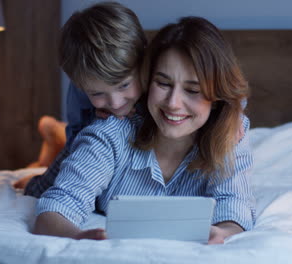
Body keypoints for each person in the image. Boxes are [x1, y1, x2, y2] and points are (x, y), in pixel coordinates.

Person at [33, 16, 256, 245]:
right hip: (84, 133)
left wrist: (224, 232)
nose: (173, 103)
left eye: (192, 90)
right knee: (39, 184)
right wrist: (77, 237)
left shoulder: (230, 132)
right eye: (163, 84)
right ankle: (55, 136)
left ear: (217, 98)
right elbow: (58, 204)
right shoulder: (110, 130)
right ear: (148, 80)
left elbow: (234, 202)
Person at [13, 1, 147, 194]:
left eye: (124, 85)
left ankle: (54, 132)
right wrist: (37, 184)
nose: (116, 104)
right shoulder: (81, 88)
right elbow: (74, 147)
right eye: (97, 93)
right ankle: (55, 136)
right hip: (79, 128)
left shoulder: (160, 79)